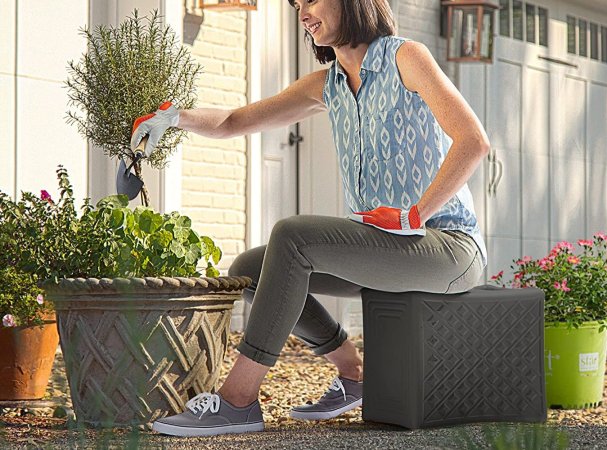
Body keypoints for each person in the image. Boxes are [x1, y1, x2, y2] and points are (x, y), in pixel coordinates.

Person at [132, 0, 490, 437]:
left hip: (447, 247)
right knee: (250, 269)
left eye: (312, 0)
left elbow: (473, 141)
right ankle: (354, 375)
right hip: (386, 249)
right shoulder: (328, 84)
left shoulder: (405, 58)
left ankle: (238, 400)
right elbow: (231, 121)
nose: (302, 12)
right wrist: (174, 118)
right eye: (297, 5)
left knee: (294, 235)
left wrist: (415, 213)